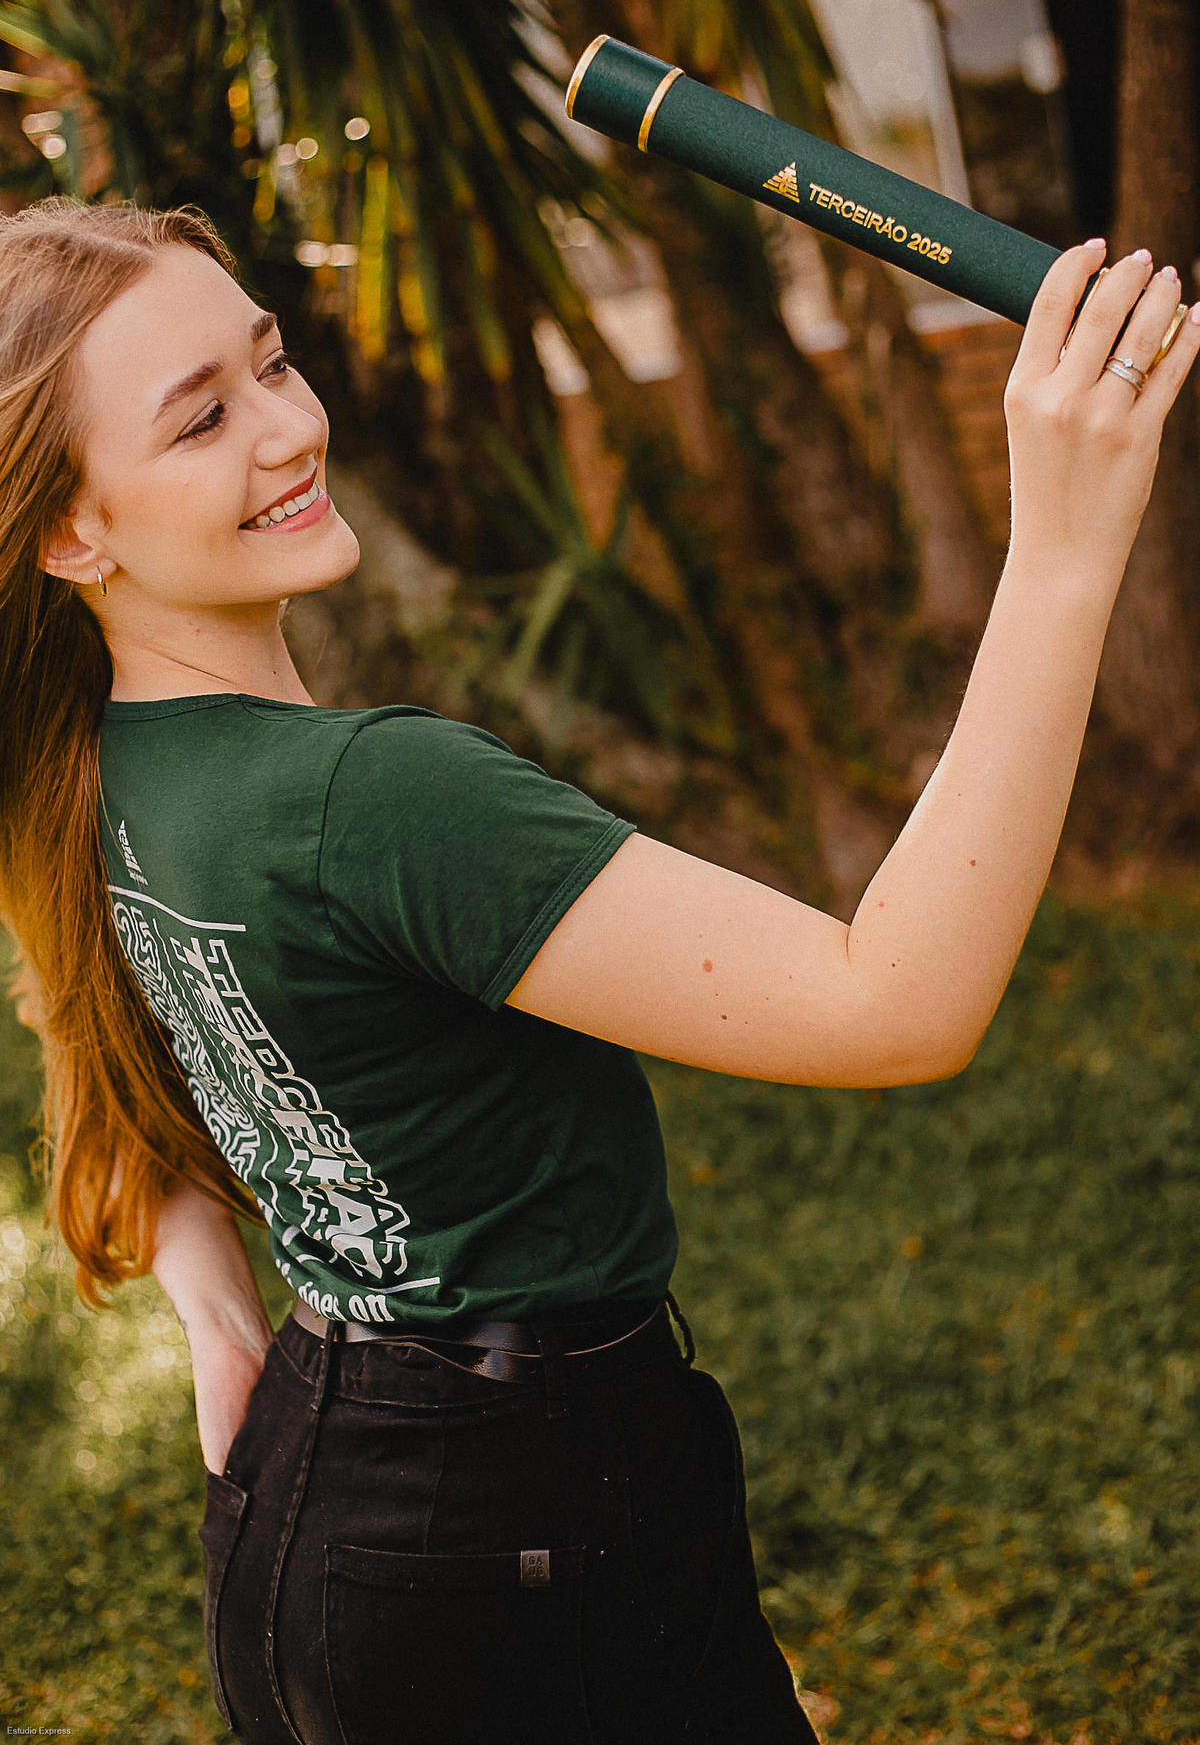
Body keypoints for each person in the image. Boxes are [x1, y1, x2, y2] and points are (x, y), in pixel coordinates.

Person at [0, 193, 1195, 1745]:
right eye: (202, 418)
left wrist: (218, 1310)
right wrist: (1064, 554)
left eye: (272, 361)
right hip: (521, 1545)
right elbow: (893, 1001)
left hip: (323, 1524)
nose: (290, 429)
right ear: (70, 532)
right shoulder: (371, 797)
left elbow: (80, 1025)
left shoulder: (100, 777)